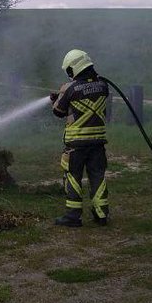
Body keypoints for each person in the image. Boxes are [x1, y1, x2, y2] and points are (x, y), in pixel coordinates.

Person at [49, 49, 109, 227]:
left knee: (73, 177)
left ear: (73, 69)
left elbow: (58, 112)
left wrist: (56, 99)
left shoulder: (69, 88)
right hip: (98, 143)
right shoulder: (103, 85)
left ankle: (73, 216)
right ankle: (101, 214)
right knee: (98, 176)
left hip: (76, 145)